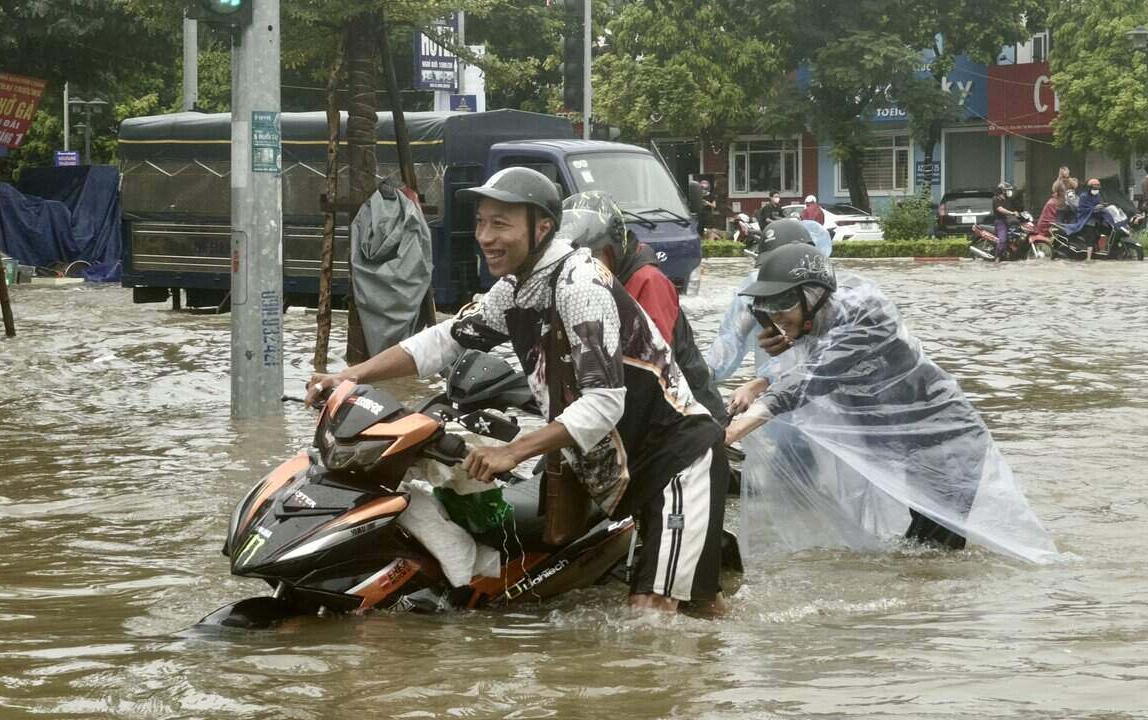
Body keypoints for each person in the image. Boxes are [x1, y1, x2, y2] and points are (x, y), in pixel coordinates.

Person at [304, 167, 726, 613]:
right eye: (481, 222)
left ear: (542, 228)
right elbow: (443, 340)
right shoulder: (516, 289)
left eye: (501, 223)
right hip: (624, 469)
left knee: (649, 618)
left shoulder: (580, 284)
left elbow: (604, 401)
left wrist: (514, 452)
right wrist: (352, 376)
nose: (485, 236)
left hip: (674, 459)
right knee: (700, 609)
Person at [722, 243, 1056, 563]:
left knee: (933, 556)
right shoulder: (818, 324)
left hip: (946, 444)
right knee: (918, 552)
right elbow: (805, 370)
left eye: (783, 307)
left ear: (812, 296)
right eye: (770, 310)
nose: (777, 317)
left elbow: (814, 377)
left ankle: (937, 615)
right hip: (905, 446)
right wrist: (769, 366)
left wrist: (734, 432)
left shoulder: (864, 314)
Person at [563, 191, 733, 498]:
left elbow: (648, 367)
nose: (582, 270)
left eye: (592, 259)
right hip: (652, 416)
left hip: (687, 424)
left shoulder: (648, 281)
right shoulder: (594, 285)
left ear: (612, 250)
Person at [707, 219, 824, 384]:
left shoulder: (825, 294)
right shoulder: (756, 289)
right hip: (773, 392)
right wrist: (705, 374)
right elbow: (731, 338)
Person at [991, 182, 1021, 259]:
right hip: (1000, 222)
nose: (1009, 191)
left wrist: (1018, 213)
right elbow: (1000, 209)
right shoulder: (996, 199)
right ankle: (997, 258)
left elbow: (1016, 208)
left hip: (1009, 221)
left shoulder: (1009, 199)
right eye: (1007, 190)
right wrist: (1011, 213)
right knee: (1003, 240)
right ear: (1002, 191)